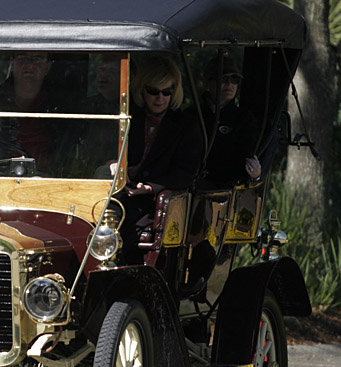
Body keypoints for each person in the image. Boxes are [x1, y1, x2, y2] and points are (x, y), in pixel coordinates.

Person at [109, 55, 203, 262]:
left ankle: (119, 272)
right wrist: (110, 163)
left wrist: (150, 187)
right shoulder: (128, 116)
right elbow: (102, 148)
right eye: (153, 91)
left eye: (166, 92)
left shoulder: (185, 125)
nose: (160, 98)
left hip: (151, 202)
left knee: (122, 222)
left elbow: (186, 173)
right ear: (142, 89)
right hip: (118, 191)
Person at [200, 56, 262, 187]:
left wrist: (255, 174)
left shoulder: (244, 119)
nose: (229, 84)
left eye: (234, 79)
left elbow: (246, 157)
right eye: (222, 79)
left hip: (228, 188)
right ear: (206, 84)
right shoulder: (193, 116)